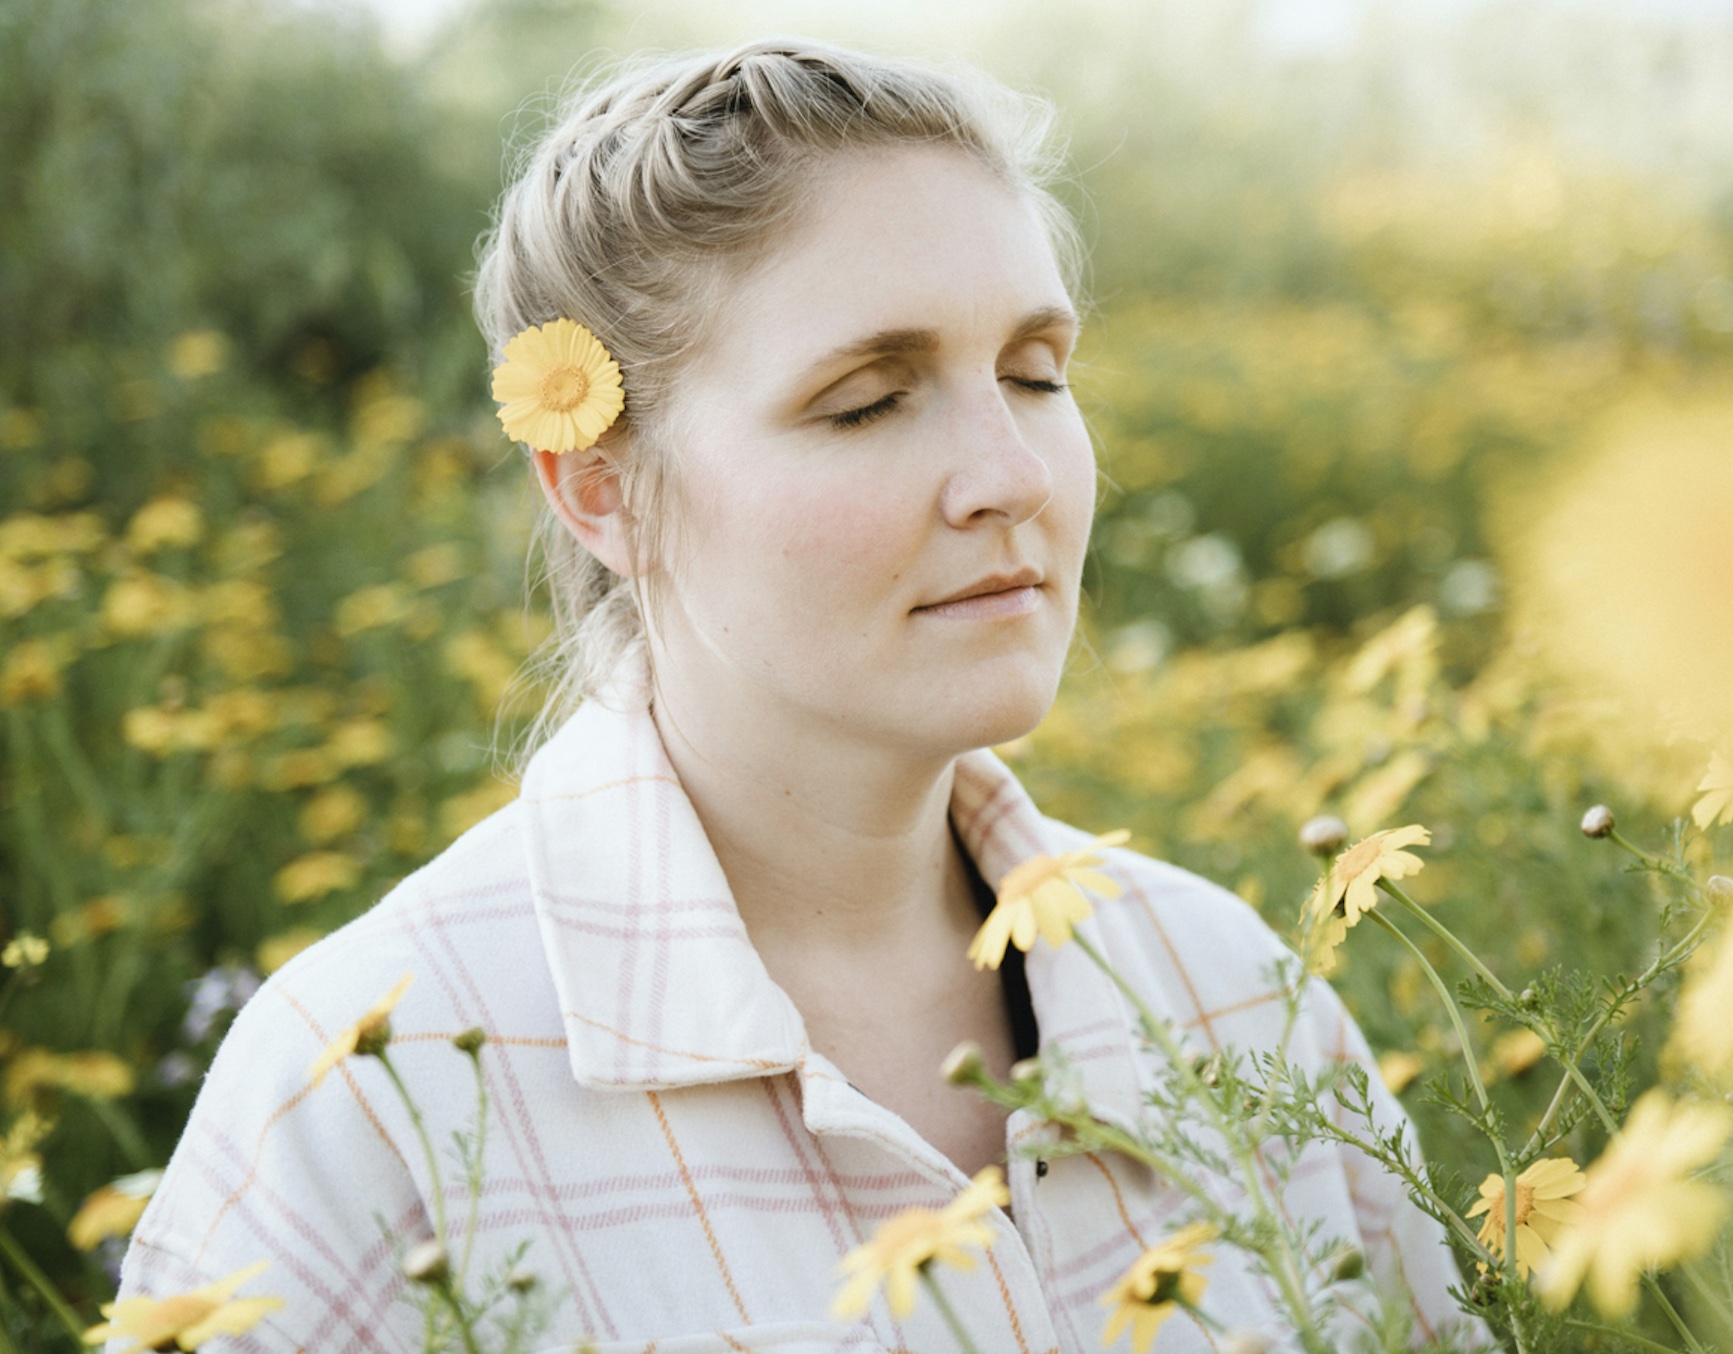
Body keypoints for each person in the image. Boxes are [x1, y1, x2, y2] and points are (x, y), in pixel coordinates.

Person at [119, 39, 1485, 1352]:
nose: (1011, 473)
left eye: (1034, 371)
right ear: (599, 488)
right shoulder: (377, 1096)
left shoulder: (1231, 996)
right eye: (866, 401)